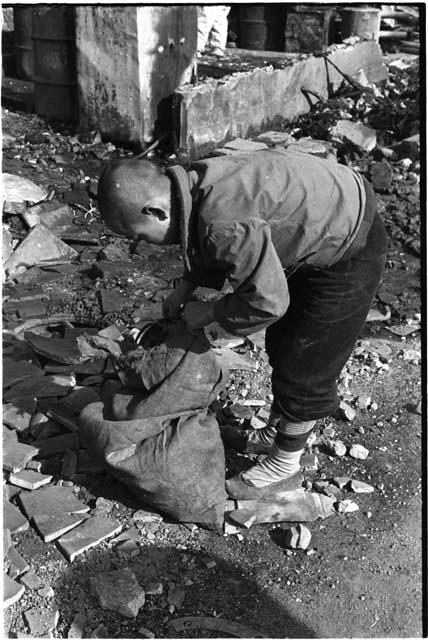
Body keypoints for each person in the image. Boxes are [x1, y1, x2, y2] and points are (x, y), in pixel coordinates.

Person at [97, 148, 388, 500]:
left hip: (353, 240)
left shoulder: (223, 222)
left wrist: (209, 313)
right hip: (321, 219)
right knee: (281, 343)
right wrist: (185, 289)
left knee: (306, 361)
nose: (146, 245)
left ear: (155, 210)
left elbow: (267, 301)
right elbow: (202, 242)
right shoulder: (190, 183)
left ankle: (286, 465)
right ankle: (276, 433)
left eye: (141, 236)